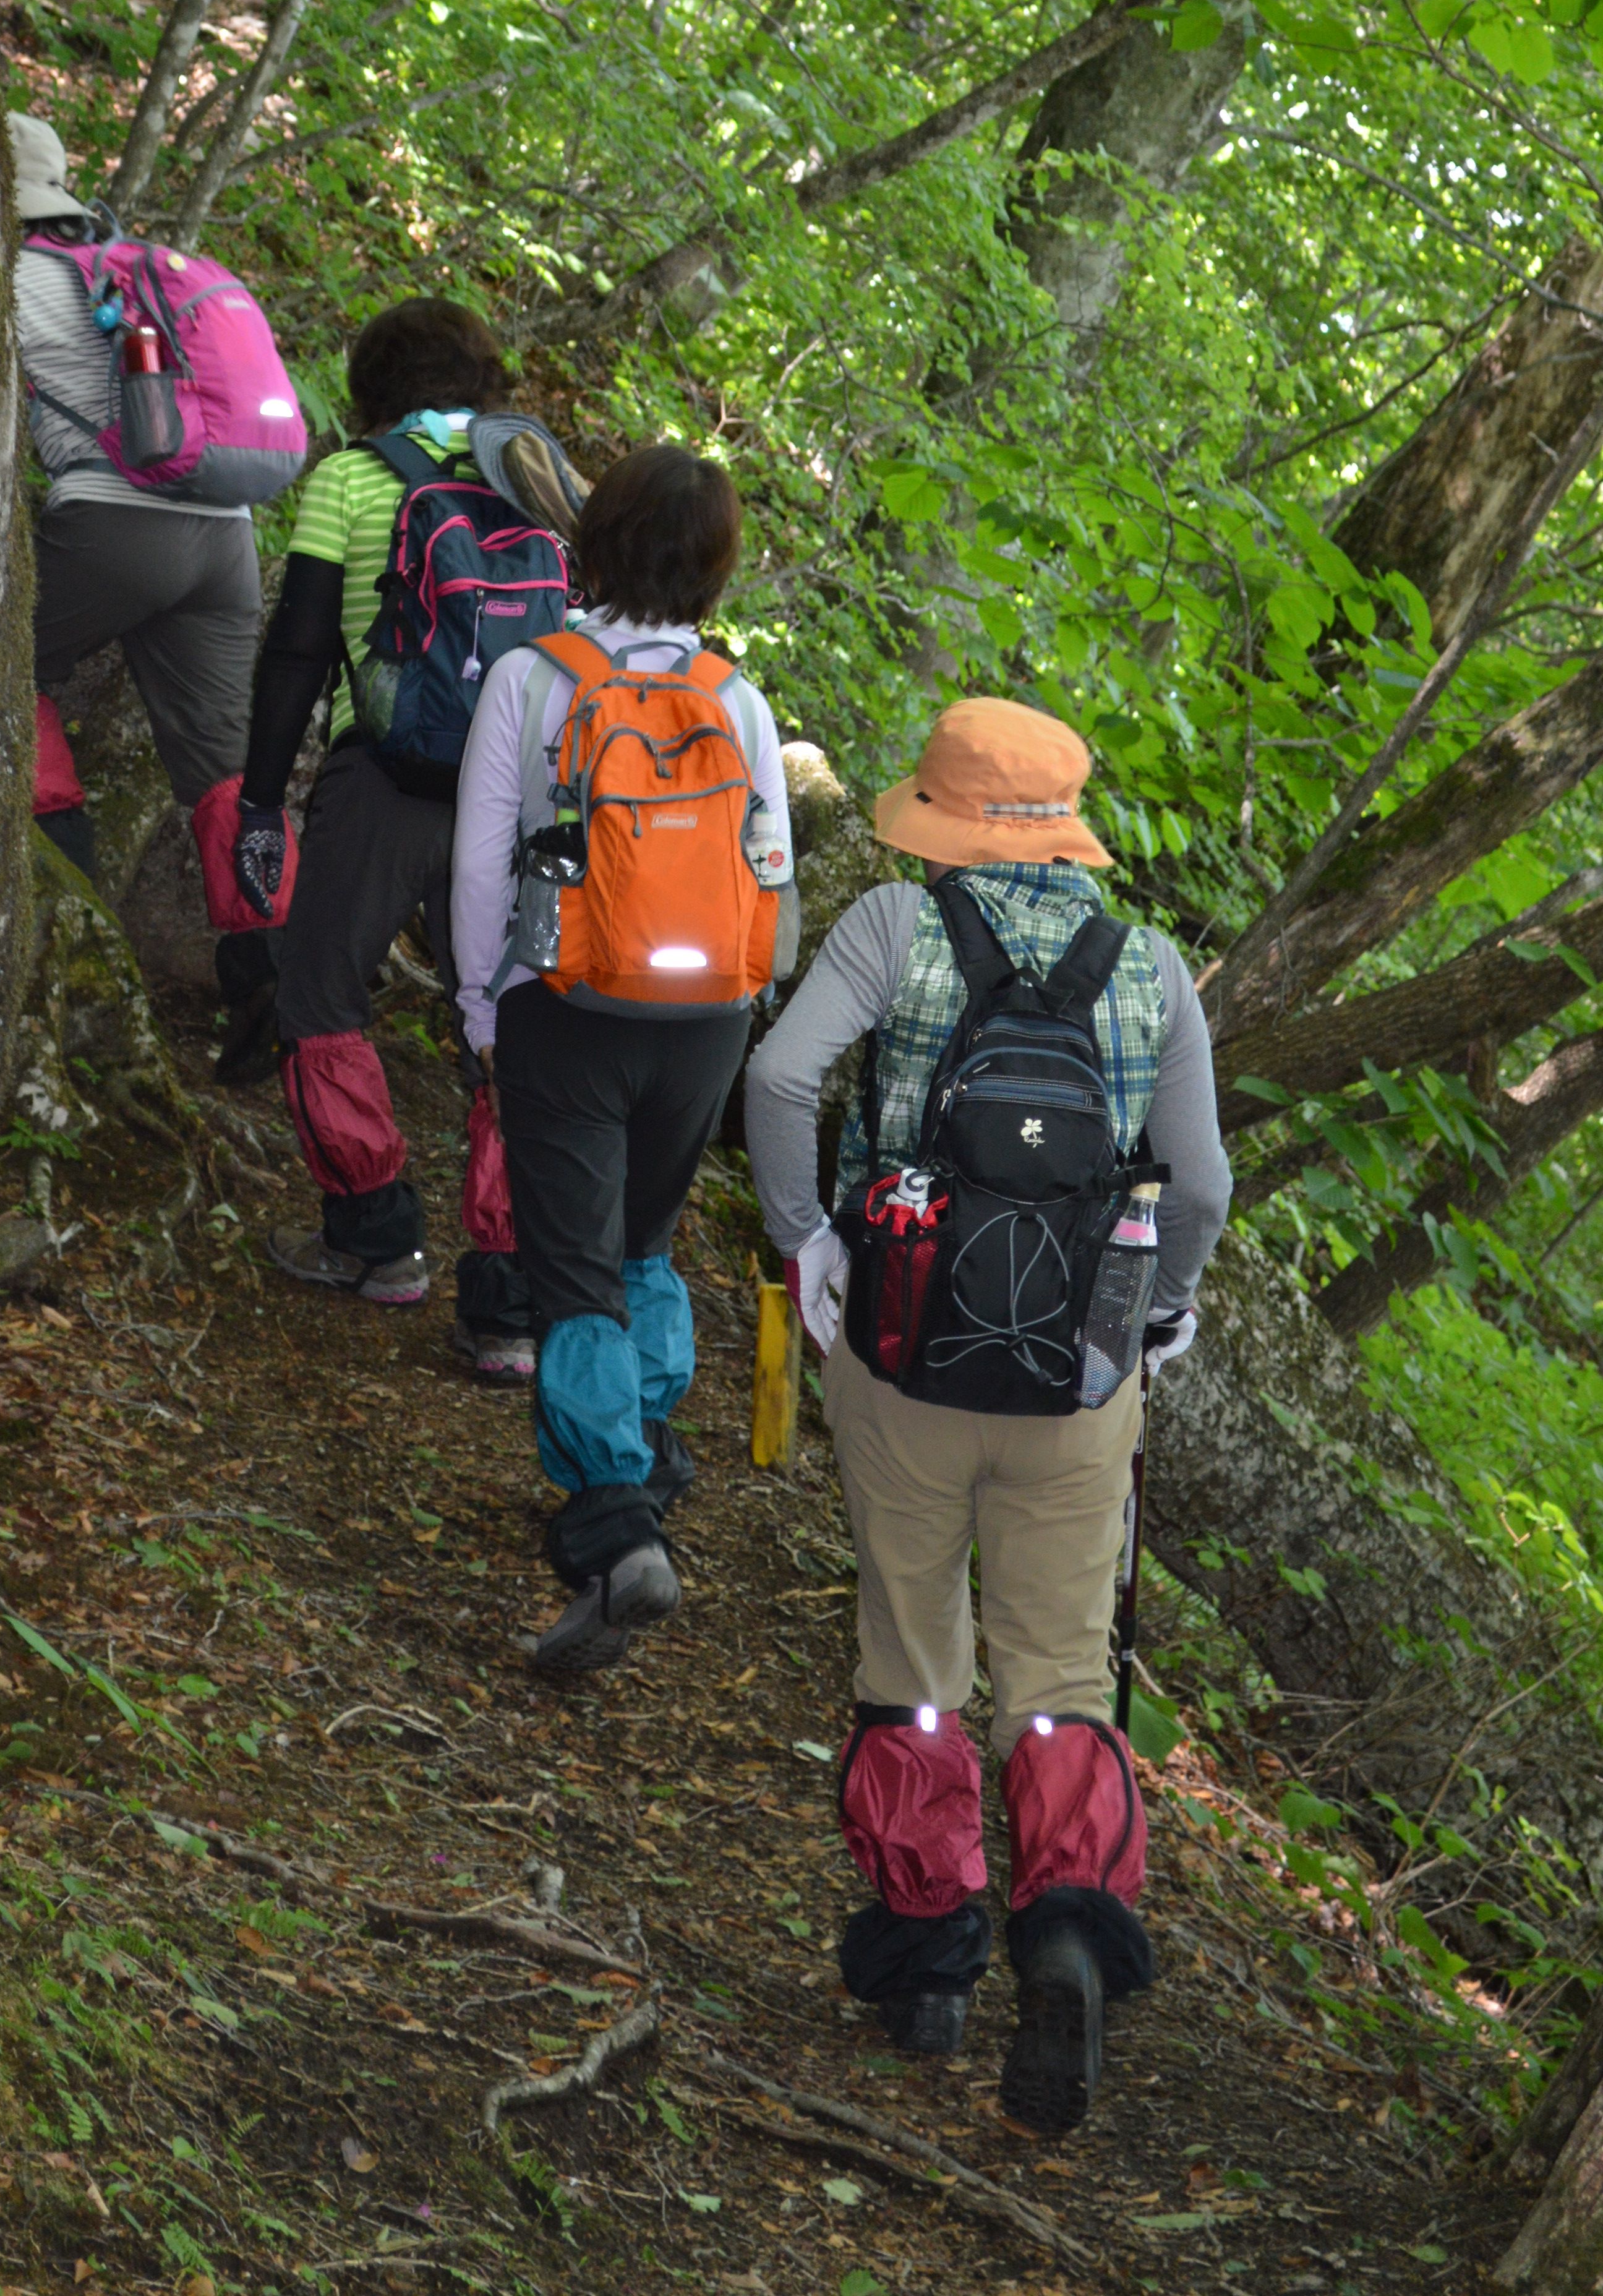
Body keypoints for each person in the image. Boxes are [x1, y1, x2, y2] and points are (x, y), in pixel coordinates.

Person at [743, 697, 1232, 2131]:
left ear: (943, 813)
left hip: (900, 1351)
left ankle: (929, 1951)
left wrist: (804, 1239)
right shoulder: (1149, 969)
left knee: (912, 1648)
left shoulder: (895, 925)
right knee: (1060, 1667)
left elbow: (778, 1076)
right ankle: (1067, 1925)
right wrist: (1157, 1309)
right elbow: (1194, 1184)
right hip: (1076, 1374)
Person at [450, 445, 795, 1679]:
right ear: (713, 565)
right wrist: (734, 1005)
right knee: (642, 1243)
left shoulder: (535, 678)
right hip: (704, 1014)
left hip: (570, 1000)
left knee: (573, 1271)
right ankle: (644, 1445)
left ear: (589, 538)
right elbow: (773, 878)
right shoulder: (740, 699)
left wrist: (480, 1005)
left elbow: (482, 863)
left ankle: (612, 1528)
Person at [231, 300, 578, 1359]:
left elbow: (298, 649)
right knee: (507, 1019)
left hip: (384, 779)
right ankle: (509, 1304)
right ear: (483, 377)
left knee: (320, 992)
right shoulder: (535, 473)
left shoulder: (350, 476)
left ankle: (377, 1242)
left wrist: (258, 797)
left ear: (371, 383)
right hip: (517, 790)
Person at [13, 114, 264, 921]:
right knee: (224, 772)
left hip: (116, 529)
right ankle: (295, 1006)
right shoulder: (123, 271)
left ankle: (68, 903)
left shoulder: (6, 278)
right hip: (228, 534)